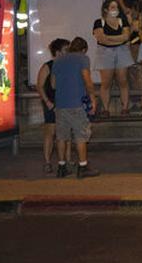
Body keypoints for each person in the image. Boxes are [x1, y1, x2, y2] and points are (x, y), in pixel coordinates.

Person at [51, 37, 100, 178]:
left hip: (60, 104)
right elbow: (87, 79)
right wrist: (92, 97)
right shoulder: (83, 58)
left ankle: (61, 167)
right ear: (84, 49)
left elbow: (53, 84)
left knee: (61, 136)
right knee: (80, 136)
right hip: (77, 104)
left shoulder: (58, 60)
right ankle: (83, 166)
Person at [92, 0, 134, 117]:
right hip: (105, 53)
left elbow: (126, 36)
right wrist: (118, 39)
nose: (116, 9)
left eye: (116, 7)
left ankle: (125, 107)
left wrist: (110, 38)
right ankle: (106, 108)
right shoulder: (99, 22)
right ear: (106, 9)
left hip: (122, 52)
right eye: (113, 7)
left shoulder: (122, 21)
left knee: (123, 80)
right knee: (106, 82)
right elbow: (101, 39)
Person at [35, 38, 69, 175]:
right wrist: (48, 102)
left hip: (65, 103)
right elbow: (39, 86)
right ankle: (47, 161)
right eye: (66, 49)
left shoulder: (68, 65)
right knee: (50, 132)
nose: (69, 52)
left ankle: (66, 161)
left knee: (66, 133)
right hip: (51, 102)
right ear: (58, 52)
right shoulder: (47, 66)